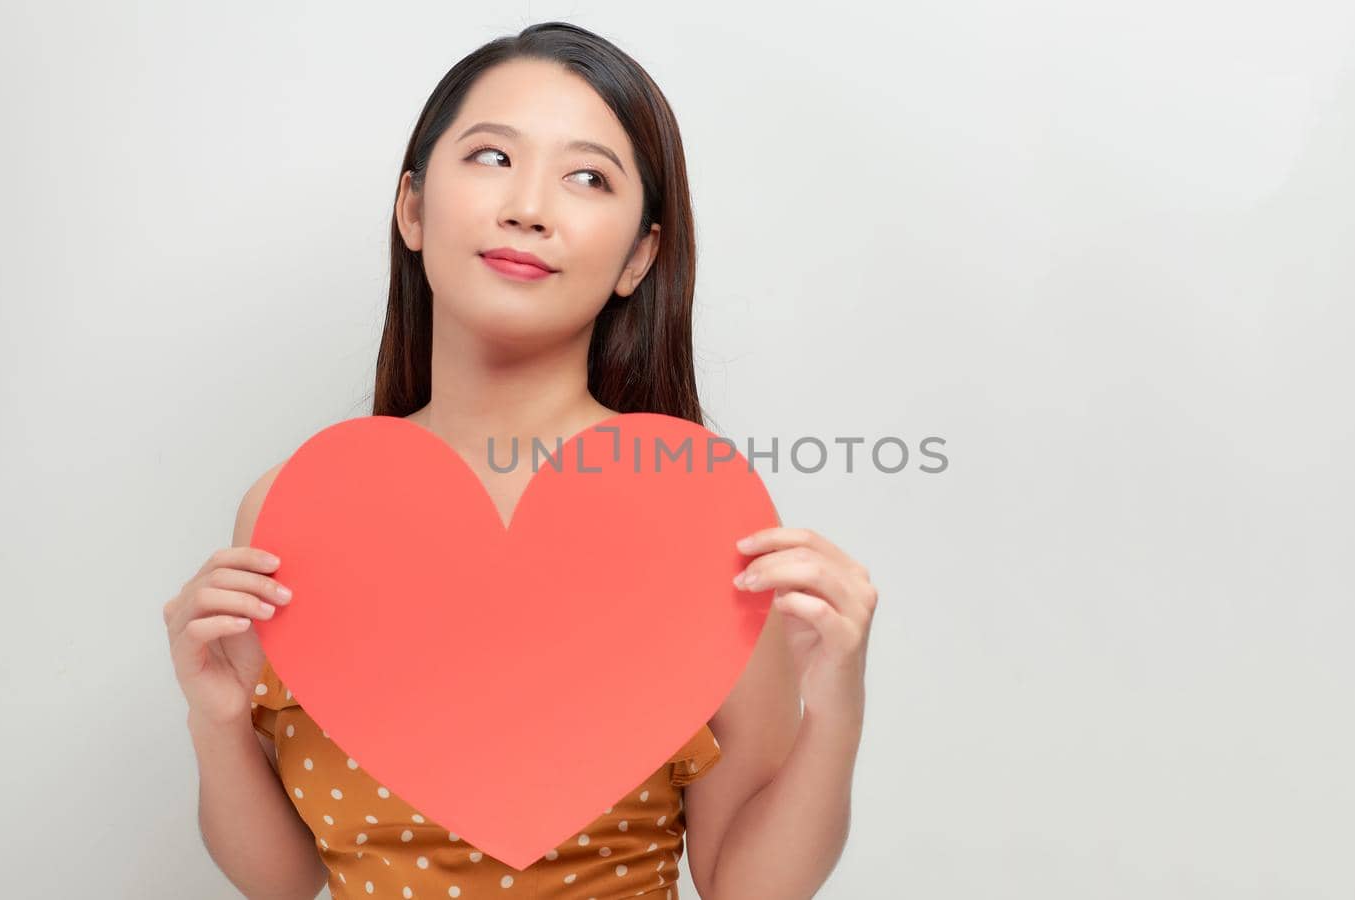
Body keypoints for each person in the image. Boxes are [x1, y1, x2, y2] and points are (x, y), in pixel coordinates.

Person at [163, 21, 878, 900]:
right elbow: (280, 883)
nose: (528, 206)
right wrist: (218, 721)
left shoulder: (698, 510)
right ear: (413, 209)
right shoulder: (299, 510)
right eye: (492, 157)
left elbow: (747, 886)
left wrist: (837, 707)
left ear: (639, 256)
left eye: (587, 177)